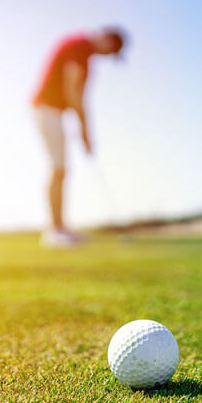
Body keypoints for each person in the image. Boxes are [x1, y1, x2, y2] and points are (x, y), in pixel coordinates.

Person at [32, 27, 127, 247]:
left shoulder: (85, 54)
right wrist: (85, 129)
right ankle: (54, 231)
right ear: (107, 40)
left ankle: (60, 227)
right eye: (111, 51)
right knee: (58, 167)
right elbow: (72, 90)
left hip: (54, 111)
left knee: (62, 168)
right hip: (46, 109)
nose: (107, 56)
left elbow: (76, 95)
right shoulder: (80, 47)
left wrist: (84, 129)